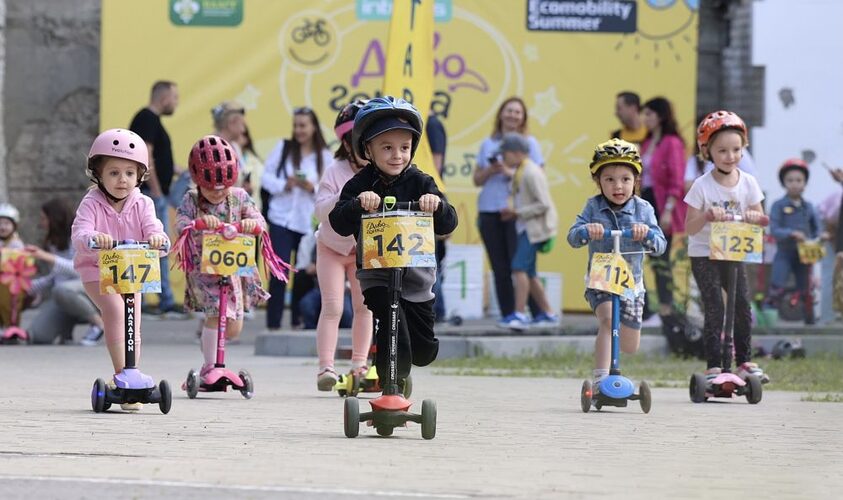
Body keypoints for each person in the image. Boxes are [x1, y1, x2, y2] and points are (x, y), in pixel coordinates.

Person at [329, 96, 458, 393]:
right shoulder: (360, 183)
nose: (397, 155)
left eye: (404, 147)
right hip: (377, 275)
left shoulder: (421, 181)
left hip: (417, 278)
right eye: (387, 147)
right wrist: (358, 204)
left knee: (423, 352)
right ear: (368, 150)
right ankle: (389, 388)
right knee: (389, 322)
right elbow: (338, 220)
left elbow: (449, 222)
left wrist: (435, 205)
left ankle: (400, 372)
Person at [71, 129, 169, 410]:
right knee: (114, 310)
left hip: (132, 271)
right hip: (96, 270)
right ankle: (122, 376)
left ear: (140, 175)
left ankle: (132, 377)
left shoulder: (144, 203)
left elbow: (156, 232)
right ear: (98, 174)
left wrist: (158, 239)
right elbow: (79, 234)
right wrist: (93, 239)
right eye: (113, 173)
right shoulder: (91, 202)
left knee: (132, 319)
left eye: (129, 172)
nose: (122, 180)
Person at [173, 135, 277, 384]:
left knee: (233, 326)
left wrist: (252, 223)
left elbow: (259, 220)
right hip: (205, 269)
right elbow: (180, 223)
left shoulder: (240, 197)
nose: (217, 195)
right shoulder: (191, 198)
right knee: (214, 314)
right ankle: (211, 366)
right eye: (210, 189)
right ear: (198, 181)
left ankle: (211, 359)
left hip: (234, 269)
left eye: (223, 188)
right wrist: (197, 222)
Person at [567, 139, 667, 390]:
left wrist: (647, 234)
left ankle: (615, 358)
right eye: (609, 179)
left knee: (629, 345)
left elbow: (660, 245)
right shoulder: (593, 207)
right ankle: (602, 377)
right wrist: (586, 231)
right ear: (598, 181)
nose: (618, 185)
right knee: (607, 319)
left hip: (631, 283)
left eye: (625, 178)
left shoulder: (644, 209)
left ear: (636, 180)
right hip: (601, 278)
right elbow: (573, 236)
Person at [683, 110, 769, 384]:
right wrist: (706, 216)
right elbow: (689, 227)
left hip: (733, 252)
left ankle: (744, 360)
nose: (730, 156)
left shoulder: (749, 183)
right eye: (722, 151)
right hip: (705, 254)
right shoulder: (701, 186)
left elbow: (759, 216)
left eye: (736, 149)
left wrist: (755, 217)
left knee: (742, 305)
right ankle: (715, 365)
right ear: (707, 152)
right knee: (715, 307)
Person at [312, 100, 373, 390]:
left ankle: (360, 366)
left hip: (365, 249)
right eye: (357, 141)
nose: (362, 148)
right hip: (332, 248)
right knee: (333, 306)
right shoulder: (334, 171)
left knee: (365, 306)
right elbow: (320, 210)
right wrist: (346, 196)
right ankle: (326, 368)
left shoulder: (380, 172)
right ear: (346, 144)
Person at [261, 107, 332, 330]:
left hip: (307, 221)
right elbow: (265, 178)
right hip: (282, 218)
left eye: (303, 125)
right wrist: (285, 184)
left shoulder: (325, 156)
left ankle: (297, 321)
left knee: (302, 271)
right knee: (279, 271)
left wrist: (314, 187)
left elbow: (332, 187)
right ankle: (273, 324)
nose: (299, 130)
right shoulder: (283, 148)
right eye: (296, 125)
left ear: (313, 127)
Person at [473, 97, 543, 323]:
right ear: (500, 114)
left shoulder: (530, 144)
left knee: (522, 265)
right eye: (509, 111)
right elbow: (477, 179)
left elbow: (537, 178)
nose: (513, 115)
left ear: (523, 117)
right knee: (499, 267)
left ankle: (538, 312)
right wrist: (492, 170)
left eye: (517, 112)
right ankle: (508, 315)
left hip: (517, 212)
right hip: (489, 210)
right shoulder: (488, 144)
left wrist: (509, 172)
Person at [498, 133, 560, 330]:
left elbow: (543, 204)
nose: (503, 158)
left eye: (505, 153)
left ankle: (519, 313)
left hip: (533, 230)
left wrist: (517, 212)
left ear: (516, 153)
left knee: (518, 268)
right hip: (527, 228)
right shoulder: (522, 170)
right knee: (530, 273)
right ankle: (548, 313)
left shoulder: (531, 172)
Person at [129, 80, 181, 316]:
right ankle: (165, 301)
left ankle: (162, 299)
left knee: (156, 246)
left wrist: (181, 171)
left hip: (156, 192)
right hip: (152, 193)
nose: (176, 102)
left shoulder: (151, 120)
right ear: (163, 98)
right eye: (174, 97)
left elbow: (159, 158)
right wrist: (157, 190)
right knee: (157, 246)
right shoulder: (147, 119)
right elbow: (146, 156)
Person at [639, 97, 687, 323]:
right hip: (645, 202)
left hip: (662, 203)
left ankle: (666, 308)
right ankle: (649, 307)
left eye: (649, 114)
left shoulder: (672, 143)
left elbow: (676, 181)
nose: (645, 118)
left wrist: (668, 210)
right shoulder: (647, 143)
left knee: (661, 257)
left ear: (660, 116)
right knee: (642, 256)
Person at [767, 159, 825, 324]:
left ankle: (809, 320)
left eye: (799, 180)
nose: (794, 184)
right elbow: (775, 229)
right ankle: (771, 322)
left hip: (805, 254)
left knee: (806, 289)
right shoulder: (778, 205)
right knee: (776, 286)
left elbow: (817, 228)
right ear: (784, 183)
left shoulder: (809, 207)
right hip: (785, 252)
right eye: (790, 180)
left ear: (805, 183)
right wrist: (791, 233)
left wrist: (821, 236)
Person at [426, 112, 448, 322]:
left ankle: (437, 309)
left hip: (428, 195)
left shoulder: (431, 124)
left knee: (428, 256)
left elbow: (436, 165)